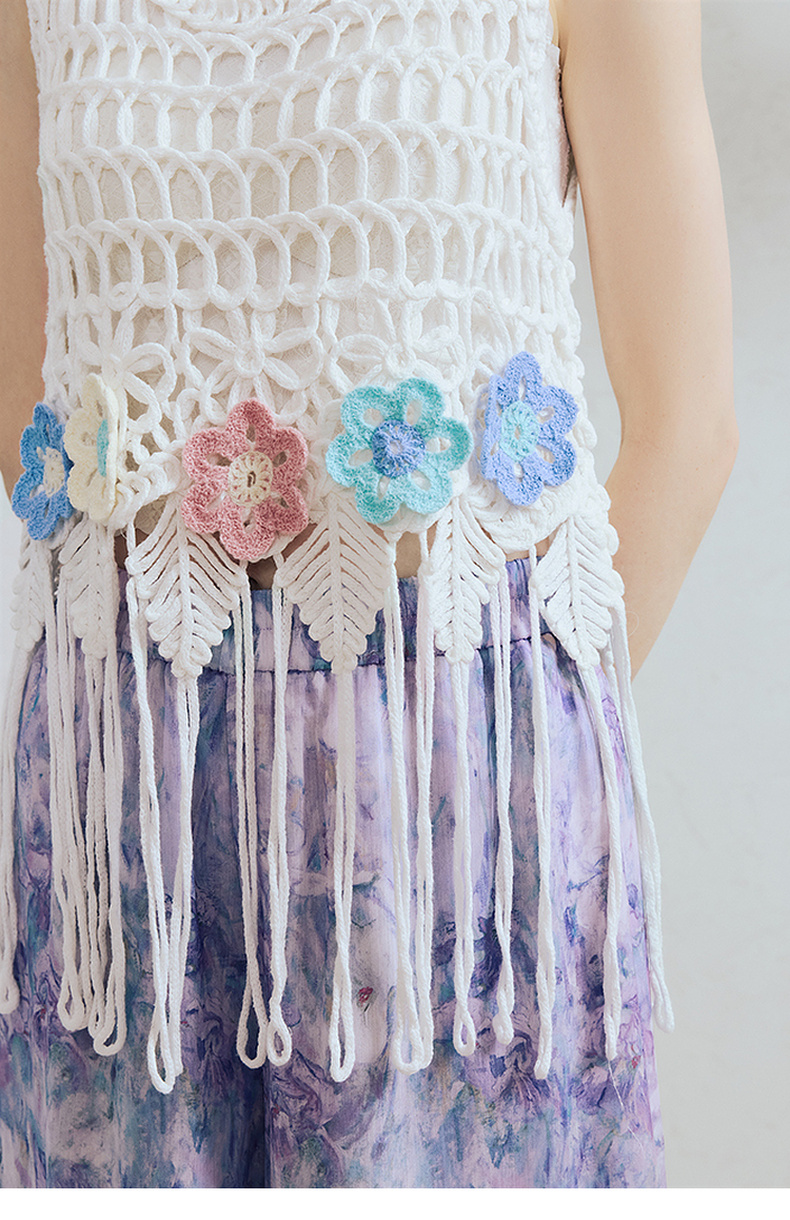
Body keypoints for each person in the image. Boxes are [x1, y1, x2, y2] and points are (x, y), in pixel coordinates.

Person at [0, 0, 736, 1189]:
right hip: (127, 798)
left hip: (456, 811)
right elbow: (32, 410)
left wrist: (492, 736)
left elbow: (688, 424)